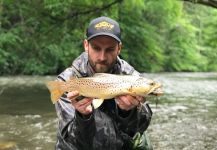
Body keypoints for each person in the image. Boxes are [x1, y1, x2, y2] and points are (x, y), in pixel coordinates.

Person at [54, 16, 153, 150]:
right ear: (86, 46)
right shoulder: (67, 81)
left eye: (110, 49)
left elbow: (142, 126)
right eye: (96, 48)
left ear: (119, 48)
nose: (102, 57)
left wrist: (128, 113)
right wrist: (83, 117)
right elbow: (69, 139)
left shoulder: (132, 77)